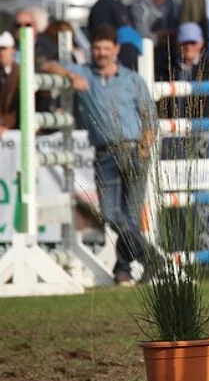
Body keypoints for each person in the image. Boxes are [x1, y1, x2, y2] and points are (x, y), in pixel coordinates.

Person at [40, 26, 157, 284]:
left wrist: (145, 147)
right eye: (97, 48)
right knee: (111, 215)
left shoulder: (132, 80)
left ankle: (123, 270)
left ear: (116, 49)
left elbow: (149, 115)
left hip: (134, 149)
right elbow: (46, 66)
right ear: (91, 50)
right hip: (105, 153)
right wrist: (70, 75)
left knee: (130, 216)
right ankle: (151, 258)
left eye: (106, 48)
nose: (101, 53)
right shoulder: (84, 73)